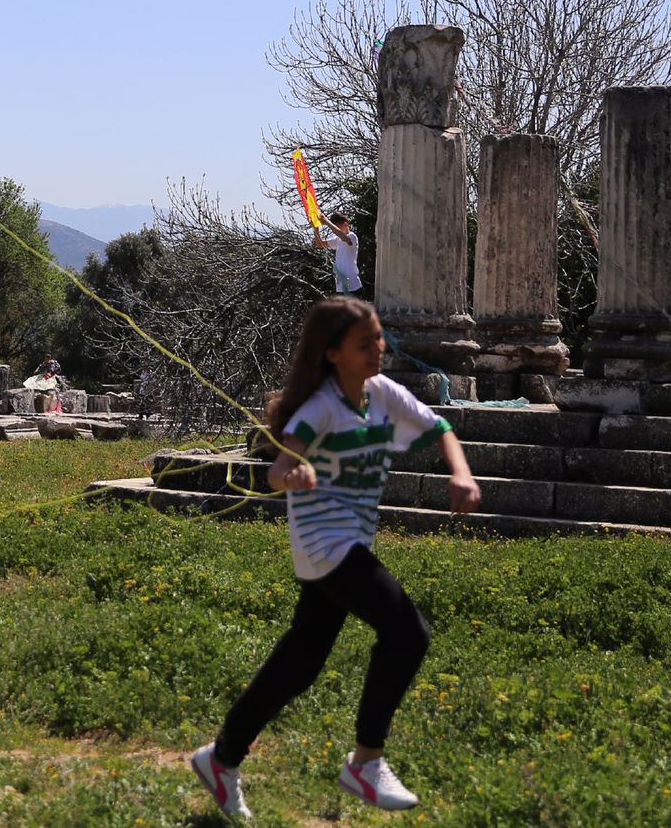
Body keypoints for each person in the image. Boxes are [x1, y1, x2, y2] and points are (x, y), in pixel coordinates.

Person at [192, 296, 480, 819]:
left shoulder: (381, 394)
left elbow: (441, 428)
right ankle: (366, 763)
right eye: (364, 343)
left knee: (301, 662)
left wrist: (460, 474)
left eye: (379, 338)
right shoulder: (320, 409)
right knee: (407, 632)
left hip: (351, 542)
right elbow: (278, 469)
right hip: (326, 545)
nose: (379, 349)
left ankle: (221, 757)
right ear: (332, 354)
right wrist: (294, 474)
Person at [314, 212, 363, 297]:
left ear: (345, 224)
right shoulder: (338, 240)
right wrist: (316, 226)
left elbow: (345, 238)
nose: (334, 231)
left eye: (337, 227)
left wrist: (327, 221)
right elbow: (319, 243)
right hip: (340, 289)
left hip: (353, 287)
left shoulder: (352, 236)